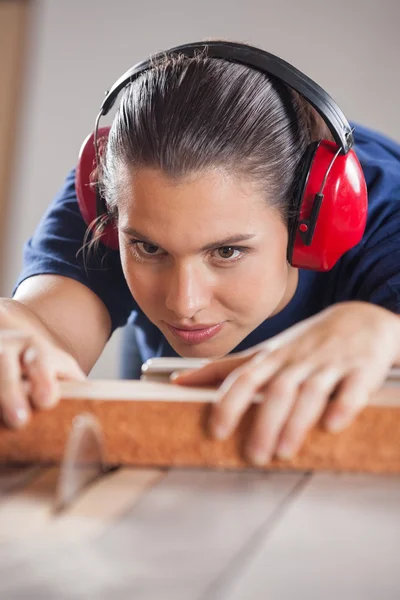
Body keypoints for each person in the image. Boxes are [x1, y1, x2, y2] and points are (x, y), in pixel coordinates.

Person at [2, 41, 400, 467]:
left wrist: (382, 328)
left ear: (309, 223)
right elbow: (45, 329)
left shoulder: (386, 213)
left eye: (226, 251)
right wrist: (14, 335)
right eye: (149, 247)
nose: (183, 303)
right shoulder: (114, 191)